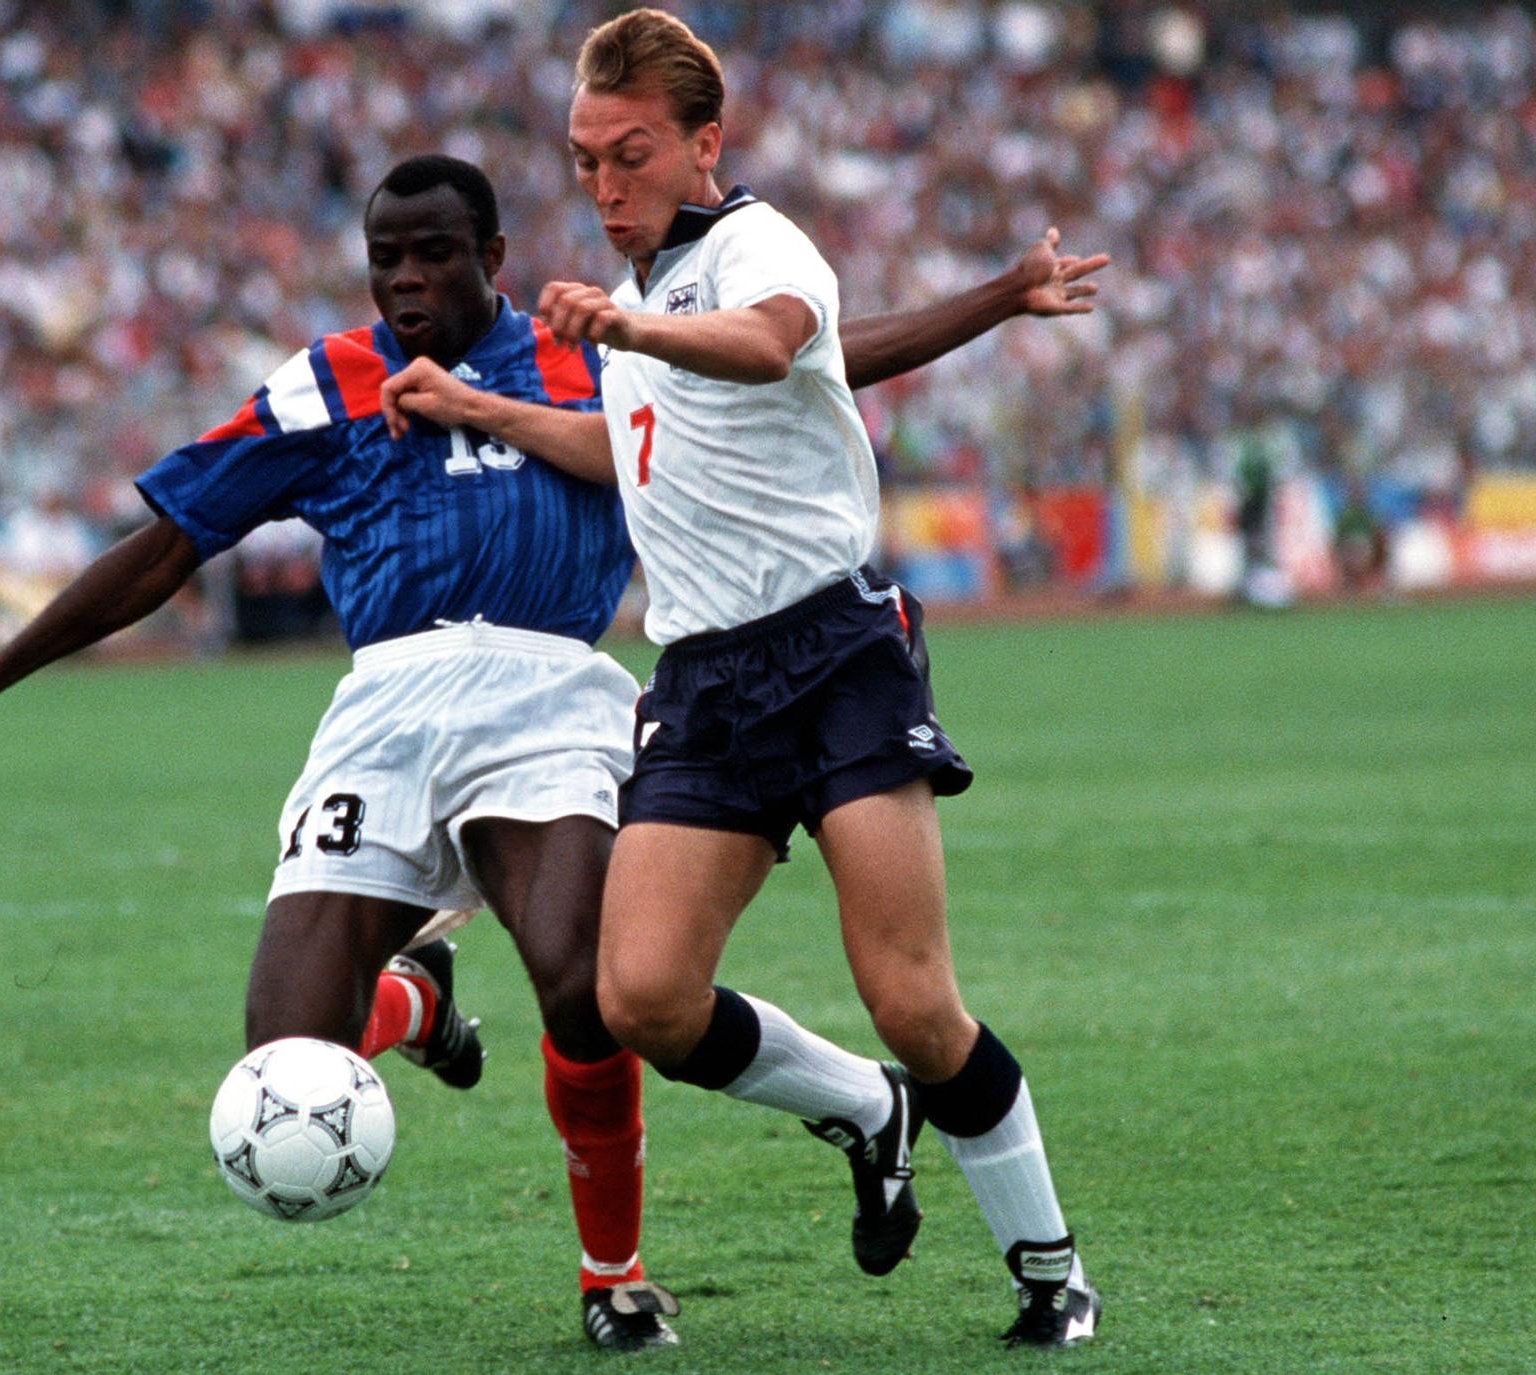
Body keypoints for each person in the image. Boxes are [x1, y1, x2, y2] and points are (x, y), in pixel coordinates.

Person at [0, 144, 1102, 1351]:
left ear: (492, 257)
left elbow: (815, 360)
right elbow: (170, 542)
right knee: (284, 1060)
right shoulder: (320, 384)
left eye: (431, 256)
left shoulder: (591, 349)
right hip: (383, 708)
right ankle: (420, 998)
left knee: (587, 985)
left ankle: (613, 1275)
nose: (404, 281)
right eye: (382, 260)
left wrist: (995, 300)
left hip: (550, 688)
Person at [380, 11, 1104, 1350]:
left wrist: (632, 333)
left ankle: (1050, 1266)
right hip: (705, 675)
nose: (604, 184)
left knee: (913, 995)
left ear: (703, 144)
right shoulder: (644, 300)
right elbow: (634, 451)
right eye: (585, 158)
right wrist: (482, 409)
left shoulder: (757, 246)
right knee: (639, 995)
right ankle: (867, 1110)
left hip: (836, 655)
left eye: (631, 153)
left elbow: (774, 343)